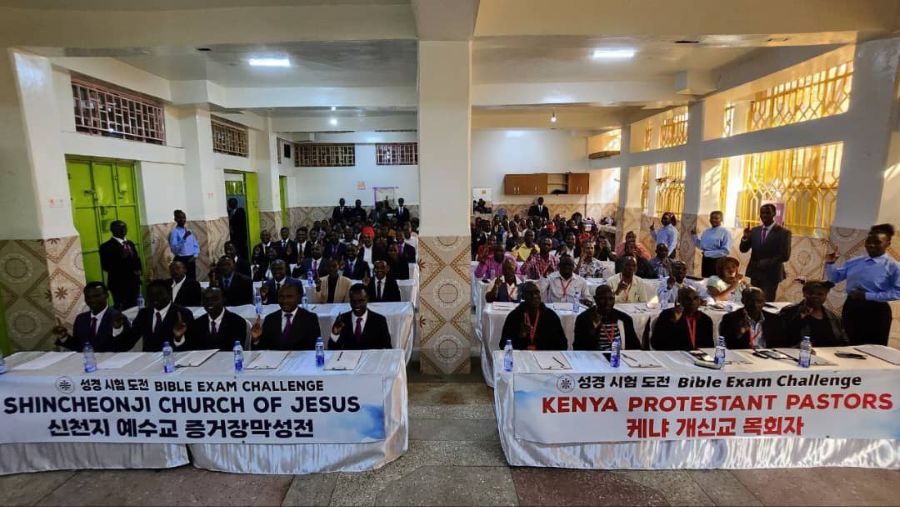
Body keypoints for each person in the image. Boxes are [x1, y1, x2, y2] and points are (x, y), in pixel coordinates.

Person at [825, 224, 900, 346]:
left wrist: (867, 296)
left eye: (877, 242)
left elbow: (898, 292)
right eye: (869, 241)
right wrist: (830, 264)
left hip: (876, 311)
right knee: (847, 343)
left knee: (872, 347)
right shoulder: (855, 261)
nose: (871, 245)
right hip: (851, 307)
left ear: (887, 244)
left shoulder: (893, 266)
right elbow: (835, 278)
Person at [53, 282, 130, 352]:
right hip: (86, 361)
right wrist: (63, 336)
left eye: (96, 296)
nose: (92, 300)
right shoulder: (81, 319)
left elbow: (124, 346)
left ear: (106, 295)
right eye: (88, 297)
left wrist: (117, 329)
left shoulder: (117, 318)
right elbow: (78, 346)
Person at [739, 204, 792, 301]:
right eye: (762, 213)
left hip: (771, 273)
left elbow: (785, 255)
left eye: (767, 213)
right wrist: (745, 238)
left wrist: (766, 262)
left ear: (774, 213)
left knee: (766, 301)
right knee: (753, 300)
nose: (764, 215)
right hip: (755, 272)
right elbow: (743, 249)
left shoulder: (783, 232)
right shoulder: (754, 231)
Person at [127, 279, 195, 352]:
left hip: (173, 356)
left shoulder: (183, 314)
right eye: (151, 294)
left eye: (159, 294)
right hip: (148, 357)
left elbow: (191, 346)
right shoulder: (144, 313)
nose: (155, 298)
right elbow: (129, 341)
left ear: (169, 293)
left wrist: (178, 338)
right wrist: (119, 327)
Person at [250, 284, 321, 350]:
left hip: (301, 358)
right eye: (281, 297)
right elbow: (261, 350)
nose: (285, 301)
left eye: (289, 297)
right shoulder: (270, 319)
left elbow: (314, 348)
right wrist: (256, 339)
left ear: (298, 298)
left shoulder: (310, 319)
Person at [499, 282, 567, 350]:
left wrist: (540, 347)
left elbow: (563, 345)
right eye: (529, 293)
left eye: (536, 292)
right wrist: (520, 335)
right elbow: (503, 345)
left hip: (544, 355)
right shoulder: (514, 316)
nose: (534, 296)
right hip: (521, 355)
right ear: (523, 296)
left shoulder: (550, 316)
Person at [176, 288, 248, 351]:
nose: (209, 302)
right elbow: (189, 350)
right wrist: (179, 337)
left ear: (223, 300)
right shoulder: (197, 324)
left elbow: (237, 350)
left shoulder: (237, 322)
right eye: (206, 299)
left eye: (214, 299)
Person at [780, 281, 849, 347]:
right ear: (804, 293)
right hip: (801, 352)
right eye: (810, 293)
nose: (815, 296)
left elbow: (843, 340)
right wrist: (800, 317)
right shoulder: (790, 312)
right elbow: (784, 338)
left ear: (825, 296)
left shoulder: (834, 317)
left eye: (820, 294)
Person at [573, 285, 641, 351]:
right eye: (603, 299)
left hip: (618, 356)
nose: (607, 303)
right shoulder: (584, 319)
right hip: (594, 356)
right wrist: (594, 331)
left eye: (611, 299)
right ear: (595, 299)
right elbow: (578, 348)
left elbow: (635, 347)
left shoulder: (624, 319)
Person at [328, 283, 392, 350]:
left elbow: (387, 348)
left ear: (367, 299)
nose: (357, 305)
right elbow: (331, 349)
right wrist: (335, 334)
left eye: (361, 301)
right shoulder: (342, 320)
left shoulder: (379, 321)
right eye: (353, 301)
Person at [99, 220, 142, 309]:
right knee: (122, 308)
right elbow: (105, 266)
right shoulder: (106, 246)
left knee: (135, 306)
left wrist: (139, 270)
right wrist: (121, 257)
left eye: (124, 227)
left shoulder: (130, 243)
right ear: (112, 230)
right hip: (118, 284)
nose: (123, 230)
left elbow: (137, 259)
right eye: (119, 228)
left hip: (134, 282)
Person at [691, 210, 732, 278]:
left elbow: (725, 251)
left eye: (716, 218)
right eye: (712, 218)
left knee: (716, 281)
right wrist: (694, 236)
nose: (713, 220)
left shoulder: (725, 232)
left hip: (718, 262)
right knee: (706, 280)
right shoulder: (706, 231)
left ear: (721, 219)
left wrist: (708, 253)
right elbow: (702, 246)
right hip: (706, 260)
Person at [168, 210, 200, 279]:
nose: (182, 219)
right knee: (181, 279)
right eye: (179, 218)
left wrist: (195, 255)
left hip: (191, 259)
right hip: (180, 260)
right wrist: (184, 238)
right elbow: (174, 249)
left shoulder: (189, 231)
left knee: (192, 279)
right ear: (175, 219)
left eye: (184, 217)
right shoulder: (174, 232)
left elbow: (195, 244)